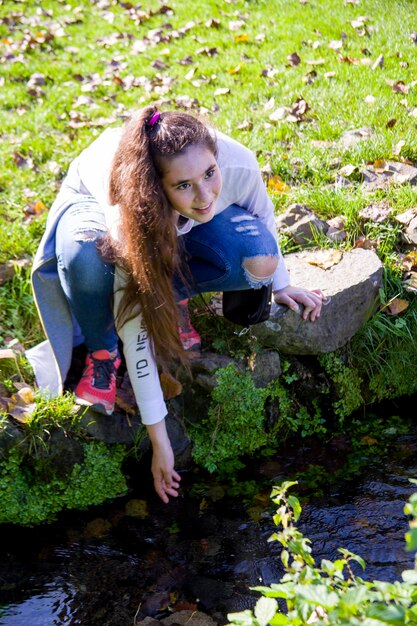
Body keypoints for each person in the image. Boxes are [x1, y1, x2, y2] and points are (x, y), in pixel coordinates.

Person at [30, 106, 325, 503]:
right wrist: (161, 438)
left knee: (258, 258)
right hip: (96, 209)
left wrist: (282, 283)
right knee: (88, 260)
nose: (204, 195)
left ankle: (171, 296)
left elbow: (262, 218)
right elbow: (133, 323)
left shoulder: (236, 164)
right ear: (158, 187)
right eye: (184, 185)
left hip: (167, 221)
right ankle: (101, 350)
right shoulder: (126, 209)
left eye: (209, 174)